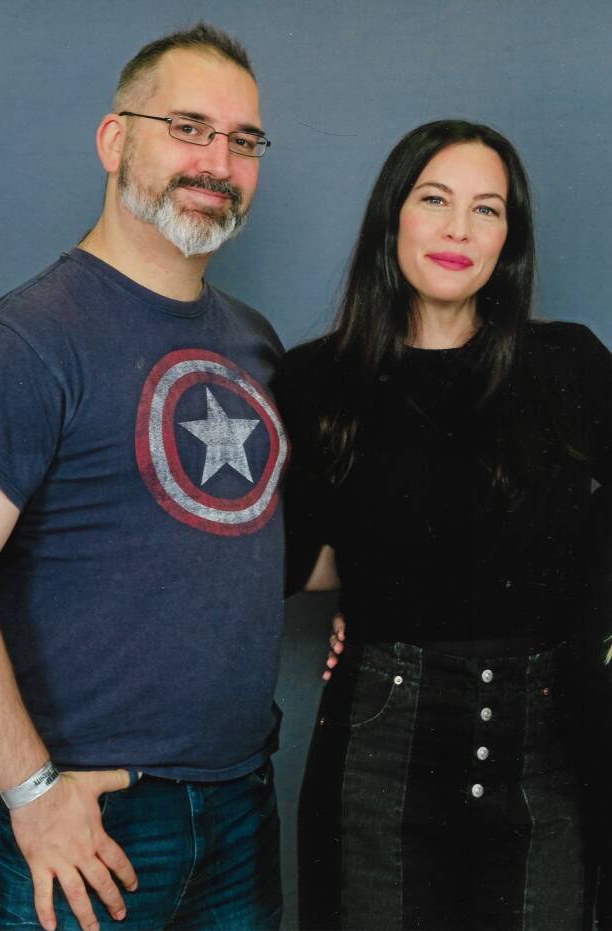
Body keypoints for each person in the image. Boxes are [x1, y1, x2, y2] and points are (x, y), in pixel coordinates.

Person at [0, 23, 287, 931]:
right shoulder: (32, 336)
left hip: (239, 805)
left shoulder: (252, 342)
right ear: (115, 140)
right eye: (187, 128)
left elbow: (248, 541)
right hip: (86, 819)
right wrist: (32, 794)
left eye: (243, 140)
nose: (217, 161)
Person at [273, 119, 612, 930]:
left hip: (549, 737)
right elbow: (291, 557)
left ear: (508, 238)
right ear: (392, 215)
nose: (458, 228)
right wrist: (373, 588)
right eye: (434, 199)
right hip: (380, 736)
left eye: (485, 209)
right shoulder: (319, 377)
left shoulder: (567, 363)